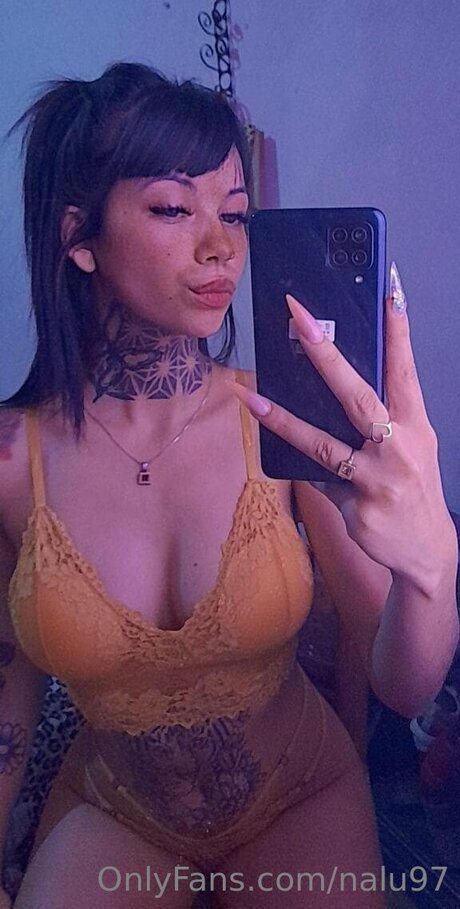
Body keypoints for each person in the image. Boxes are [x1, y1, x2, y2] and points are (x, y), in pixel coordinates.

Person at [0, 61, 457, 909]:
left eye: (236, 213)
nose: (223, 246)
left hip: (298, 796)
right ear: (79, 236)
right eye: (175, 209)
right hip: (118, 814)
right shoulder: (10, 461)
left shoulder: (280, 418)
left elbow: (405, 683)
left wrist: (431, 567)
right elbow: (8, 707)